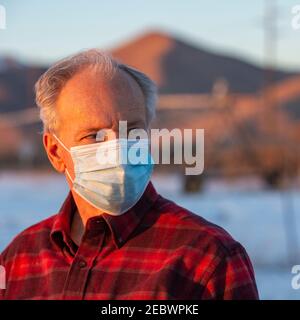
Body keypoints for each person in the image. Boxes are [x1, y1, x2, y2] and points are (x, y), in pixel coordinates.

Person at [0, 49, 258, 300]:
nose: (117, 148)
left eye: (132, 131)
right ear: (55, 152)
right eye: (95, 135)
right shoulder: (17, 260)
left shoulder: (208, 259)